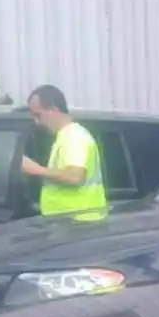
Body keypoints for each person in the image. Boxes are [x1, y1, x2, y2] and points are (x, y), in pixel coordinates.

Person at [22, 84, 108, 217]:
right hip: (71, 221)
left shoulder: (74, 137)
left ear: (54, 110)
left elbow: (75, 176)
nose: (37, 122)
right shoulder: (65, 136)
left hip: (78, 222)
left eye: (38, 115)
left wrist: (35, 169)